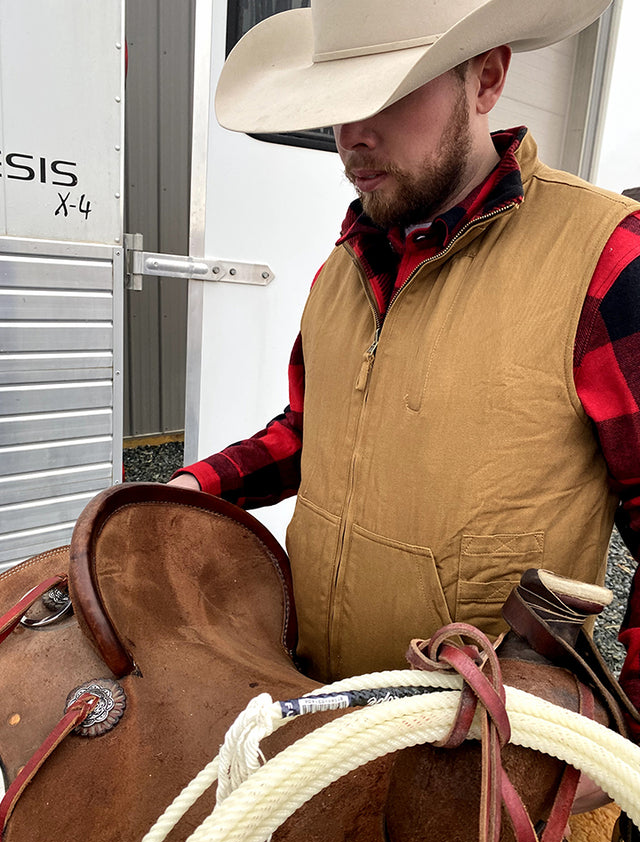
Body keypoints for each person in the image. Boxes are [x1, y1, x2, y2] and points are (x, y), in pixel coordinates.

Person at [170, 1, 640, 741]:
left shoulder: (606, 260)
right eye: (337, 102)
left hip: (478, 754)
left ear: (486, 79)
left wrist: (626, 741)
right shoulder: (343, 268)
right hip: (310, 706)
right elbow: (310, 430)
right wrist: (193, 488)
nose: (352, 135)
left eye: (390, 92)